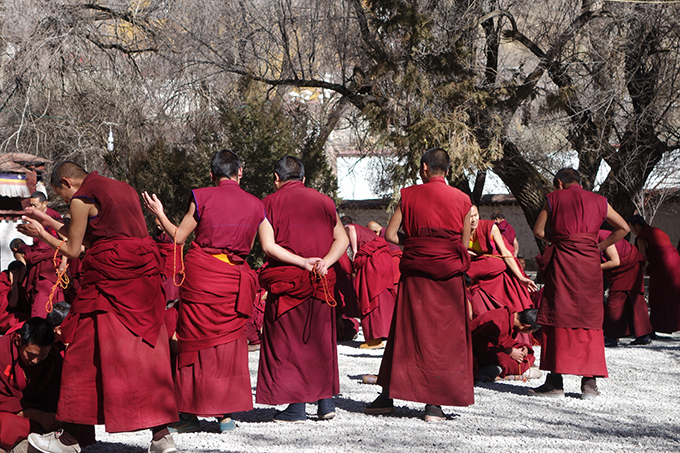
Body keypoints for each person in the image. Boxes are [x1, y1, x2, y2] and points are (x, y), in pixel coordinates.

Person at [18, 161, 177, 453]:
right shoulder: (122, 188)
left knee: (81, 355)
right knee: (143, 355)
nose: (65, 202)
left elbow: (74, 248)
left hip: (107, 285)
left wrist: (41, 235)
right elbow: (88, 231)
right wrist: (45, 218)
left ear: (66, 182)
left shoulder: (82, 199)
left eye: (60, 195)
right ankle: (162, 436)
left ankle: (69, 440)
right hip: (139, 282)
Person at [143, 149, 264, 434]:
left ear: (212, 174)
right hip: (233, 279)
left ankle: (187, 414)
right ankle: (225, 415)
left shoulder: (203, 196)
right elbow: (268, 247)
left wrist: (160, 213)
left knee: (194, 342)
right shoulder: (256, 204)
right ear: (240, 172)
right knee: (228, 345)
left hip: (202, 278)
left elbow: (178, 237)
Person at [364, 147, 474, 422]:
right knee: (444, 339)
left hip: (416, 276)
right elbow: (462, 244)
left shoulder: (409, 194)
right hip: (448, 278)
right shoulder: (462, 199)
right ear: (447, 171)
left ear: (424, 168)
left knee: (406, 333)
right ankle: (434, 406)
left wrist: (415, 244)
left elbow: (390, 234)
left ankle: (387, 395)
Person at [256, 156, 349, 423]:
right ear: (304, 179)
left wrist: (303, 263)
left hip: (290, 279)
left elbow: (268, 246)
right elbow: (341, 238)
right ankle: (325, 402)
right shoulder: (325, 201)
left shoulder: (268, 203)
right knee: (320, 340)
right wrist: (325, 263)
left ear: (276, 178)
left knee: (290, 342)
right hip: (320, 279)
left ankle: (297, 407)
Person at [531, 168, 628, 399]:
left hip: (563, 262)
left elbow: (538, 230)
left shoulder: (553, 198)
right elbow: (623, 228)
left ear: (559, 183)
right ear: (580, 183)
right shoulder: (599, 201)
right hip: (589, 265)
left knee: (560, 315)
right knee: (589, 318)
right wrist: (597, 247)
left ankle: (555, 383)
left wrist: (559, 239)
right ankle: (589, 384)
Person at [0, 318, 61, 452]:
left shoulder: (53, 357)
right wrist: (36, 415)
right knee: (4, 424)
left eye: (42, 355)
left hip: (35, 418)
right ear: (19, 340)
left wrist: (49, 417)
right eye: (31, 354)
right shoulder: (2, 350)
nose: (36, 361)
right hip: (9, 415)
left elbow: (55, 395)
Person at [467, 205, 537, 320]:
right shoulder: (460, 231)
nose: (474, 219)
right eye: (470, 217)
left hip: (497, 270)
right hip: (479, 275)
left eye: (476, 215)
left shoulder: (489, 228)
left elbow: (505, 253)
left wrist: (520, 277)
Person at [344, 220, 395, 349]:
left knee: (370, 294)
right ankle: (389, 333)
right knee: (383, 297)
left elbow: (350, 229)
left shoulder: (348, 227)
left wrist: (355, 251)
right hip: (383, 260)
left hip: (371, 262)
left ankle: (375, 339)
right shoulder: (372, 236)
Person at [598, 229, 653, 347]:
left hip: (629, 266)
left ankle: (612, 337)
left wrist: (594, 266)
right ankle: (643, 335)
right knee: (634, 300)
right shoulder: (595, 237)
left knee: (616, 301)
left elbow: (615, 262)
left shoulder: (602, 238)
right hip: (631, 264)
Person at [627, 215, 680, 334]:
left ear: (637, 225)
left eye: (632, 229)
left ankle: (659, 326)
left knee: (658, 293)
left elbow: (642, 257)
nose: (633, 232)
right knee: (672, 293)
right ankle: (672, 325)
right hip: (676, 260)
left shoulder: (642, 236)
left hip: (664, 264)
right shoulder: (657, 230)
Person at [19, 192, 66, 319]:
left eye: (35, 205)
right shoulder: (35, 217)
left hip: (51, 265)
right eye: (30, 205)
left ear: (44, 204)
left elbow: (66, 241)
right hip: (39, 262)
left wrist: (63, 263)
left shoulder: (53, 217)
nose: (32, 208)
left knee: (46, 298)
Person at [471, 308, 541, 382]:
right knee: (503, 360)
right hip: (477, 350)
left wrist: (523, 348)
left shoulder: (511, 319)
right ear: (526, 326)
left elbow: (505, 340)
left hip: (497, 348)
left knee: (528, 355)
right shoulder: (497, 320)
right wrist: (508, 352)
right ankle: (488, 370)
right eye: (531, 331)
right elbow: (480, 344)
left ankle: (497, 369)